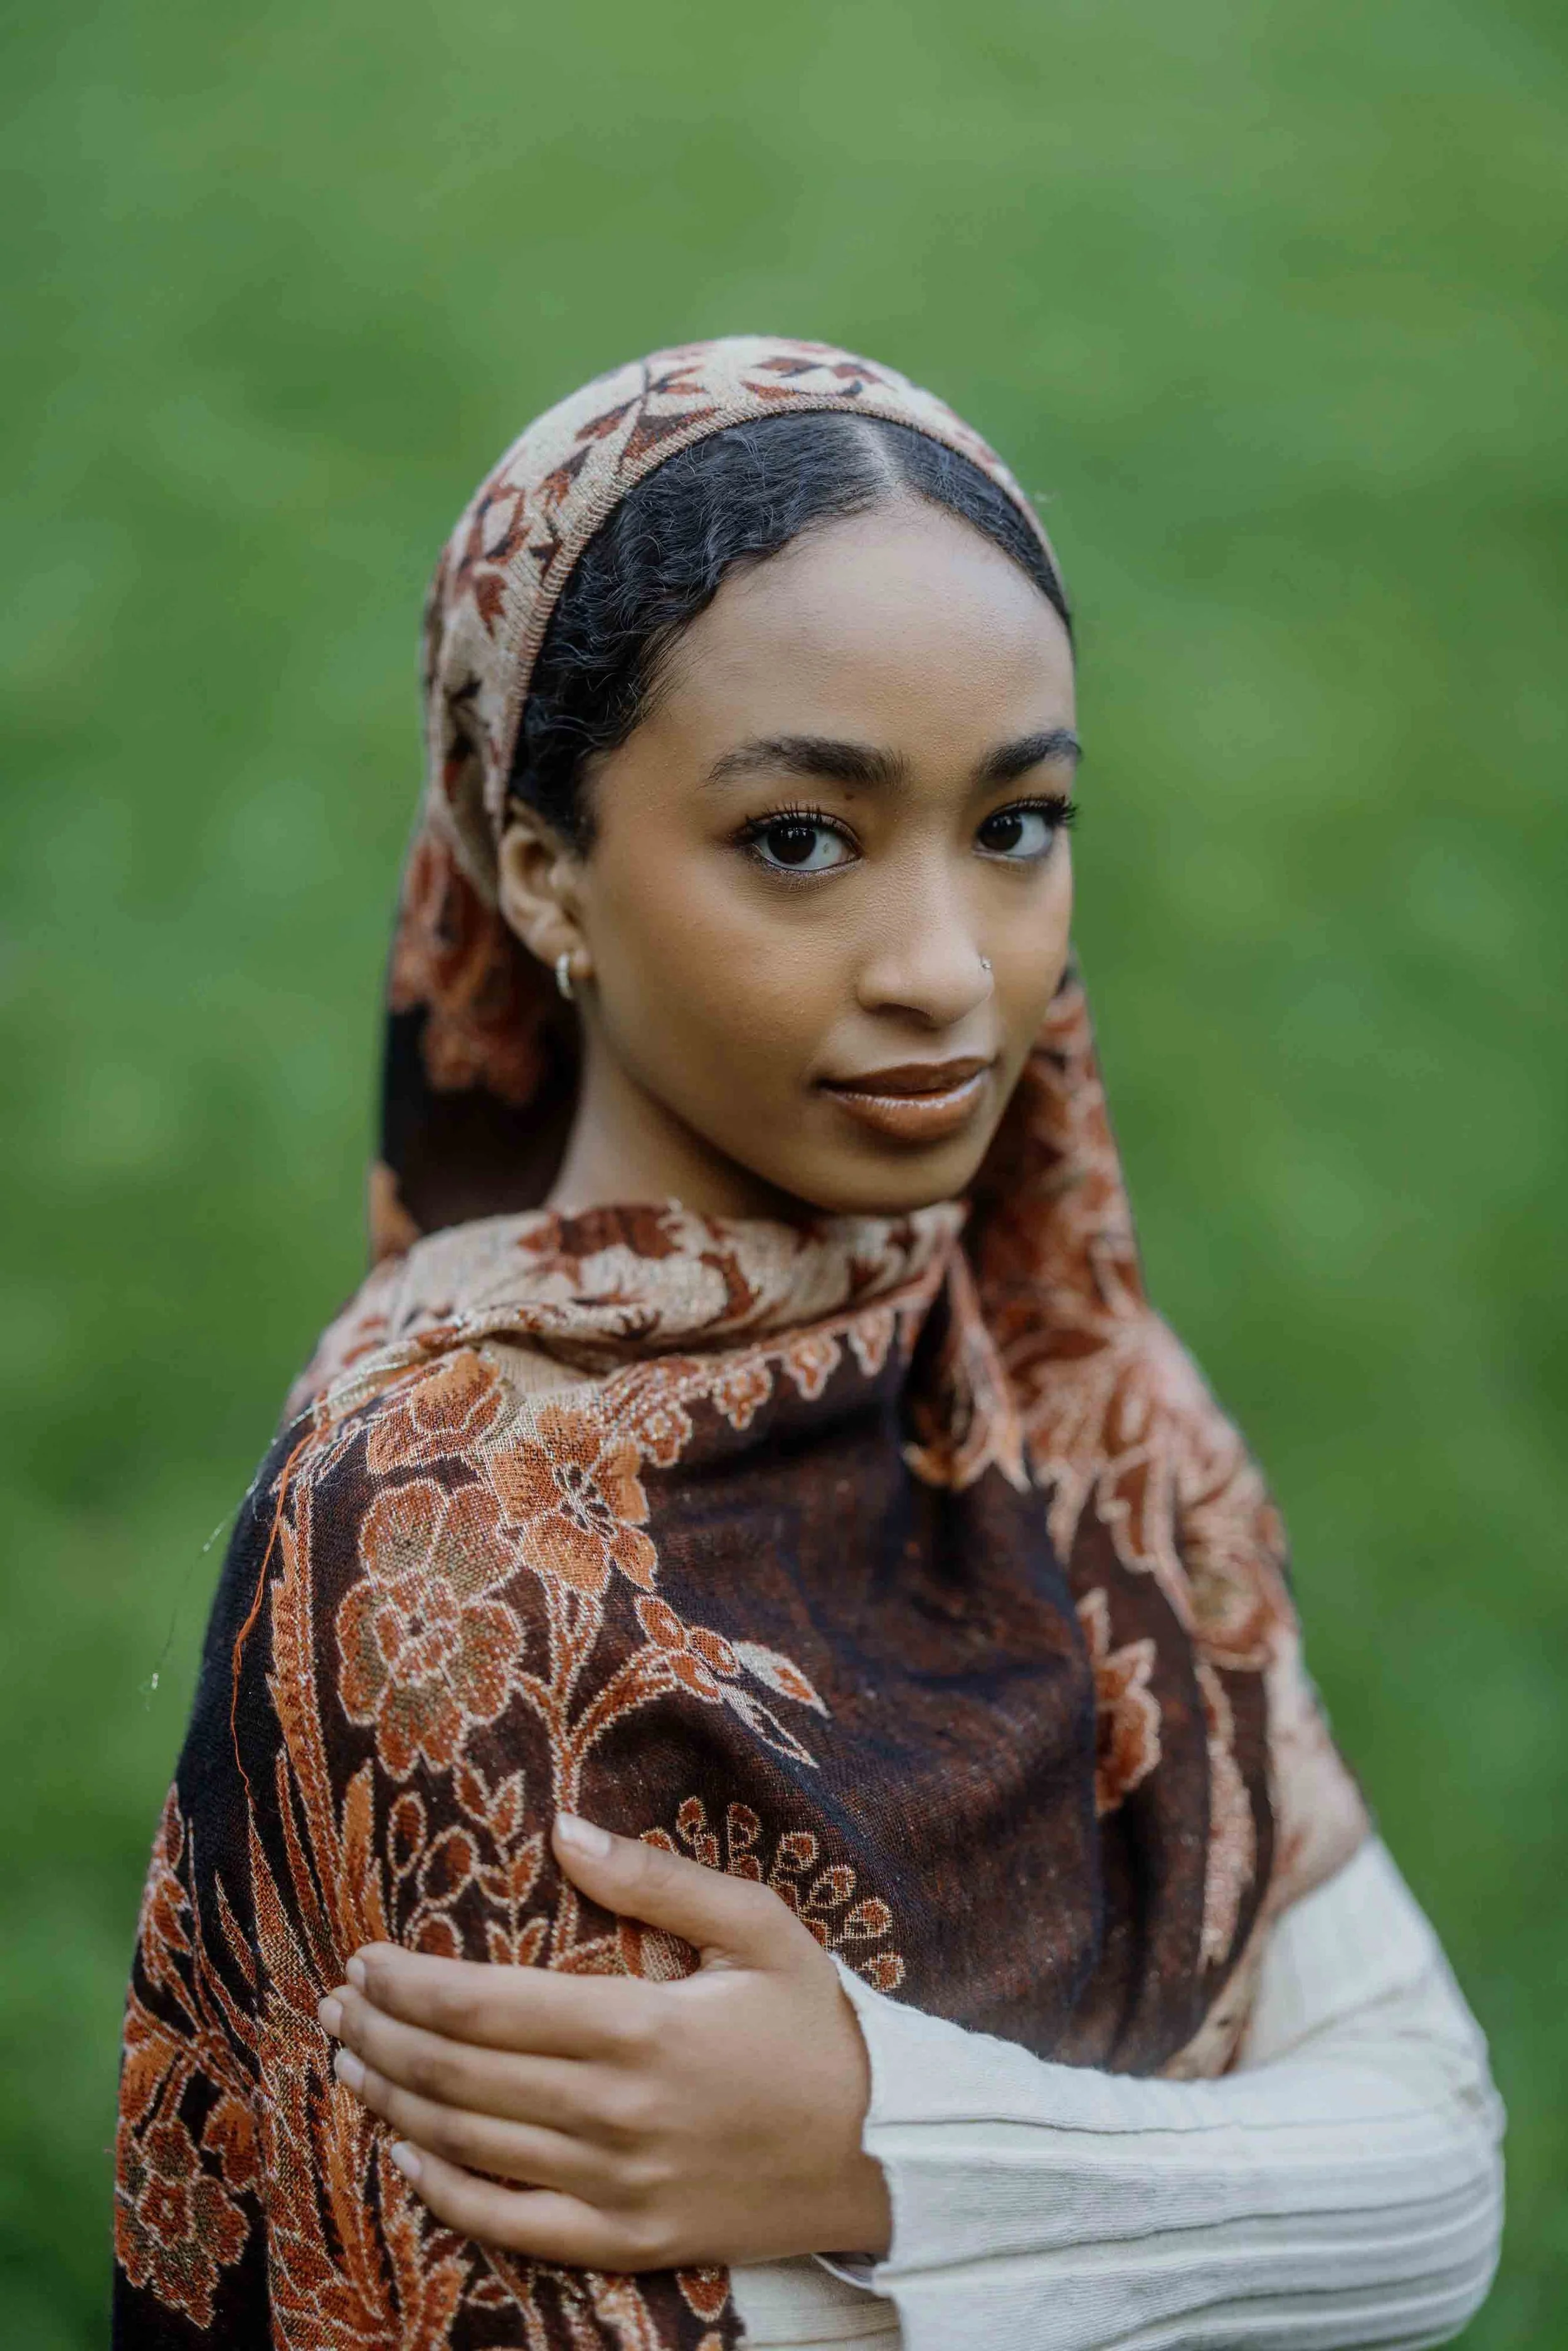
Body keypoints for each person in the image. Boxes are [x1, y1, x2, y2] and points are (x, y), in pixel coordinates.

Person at [114, 337, 1503, 2351]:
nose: (945, 968)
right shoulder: (441, 1527)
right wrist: (1186, 2195)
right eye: (798, 839)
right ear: (542, 872)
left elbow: (1439, 2177)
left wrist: (886, 2148)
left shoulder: (1072, 1392)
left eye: (1015, 823)